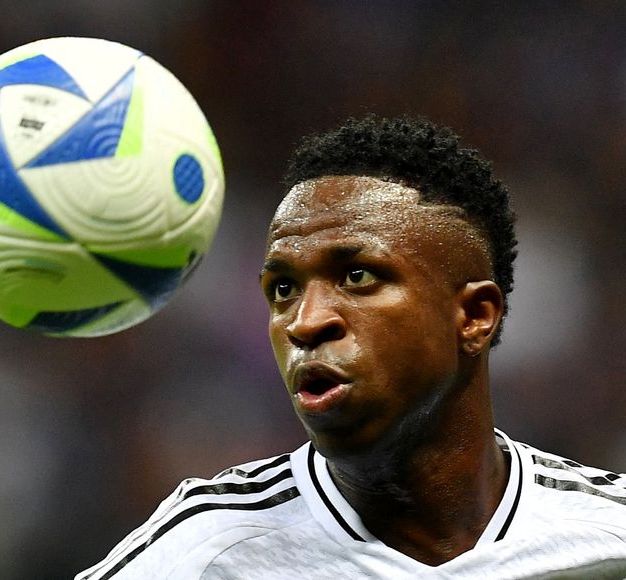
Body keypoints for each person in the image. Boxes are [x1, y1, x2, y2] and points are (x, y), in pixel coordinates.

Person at [76, 115, 626, 579]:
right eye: (283, 290)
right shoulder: (204, 552)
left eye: (359, 276)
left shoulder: (608, 537)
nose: (305, 322)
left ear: (474, 316)